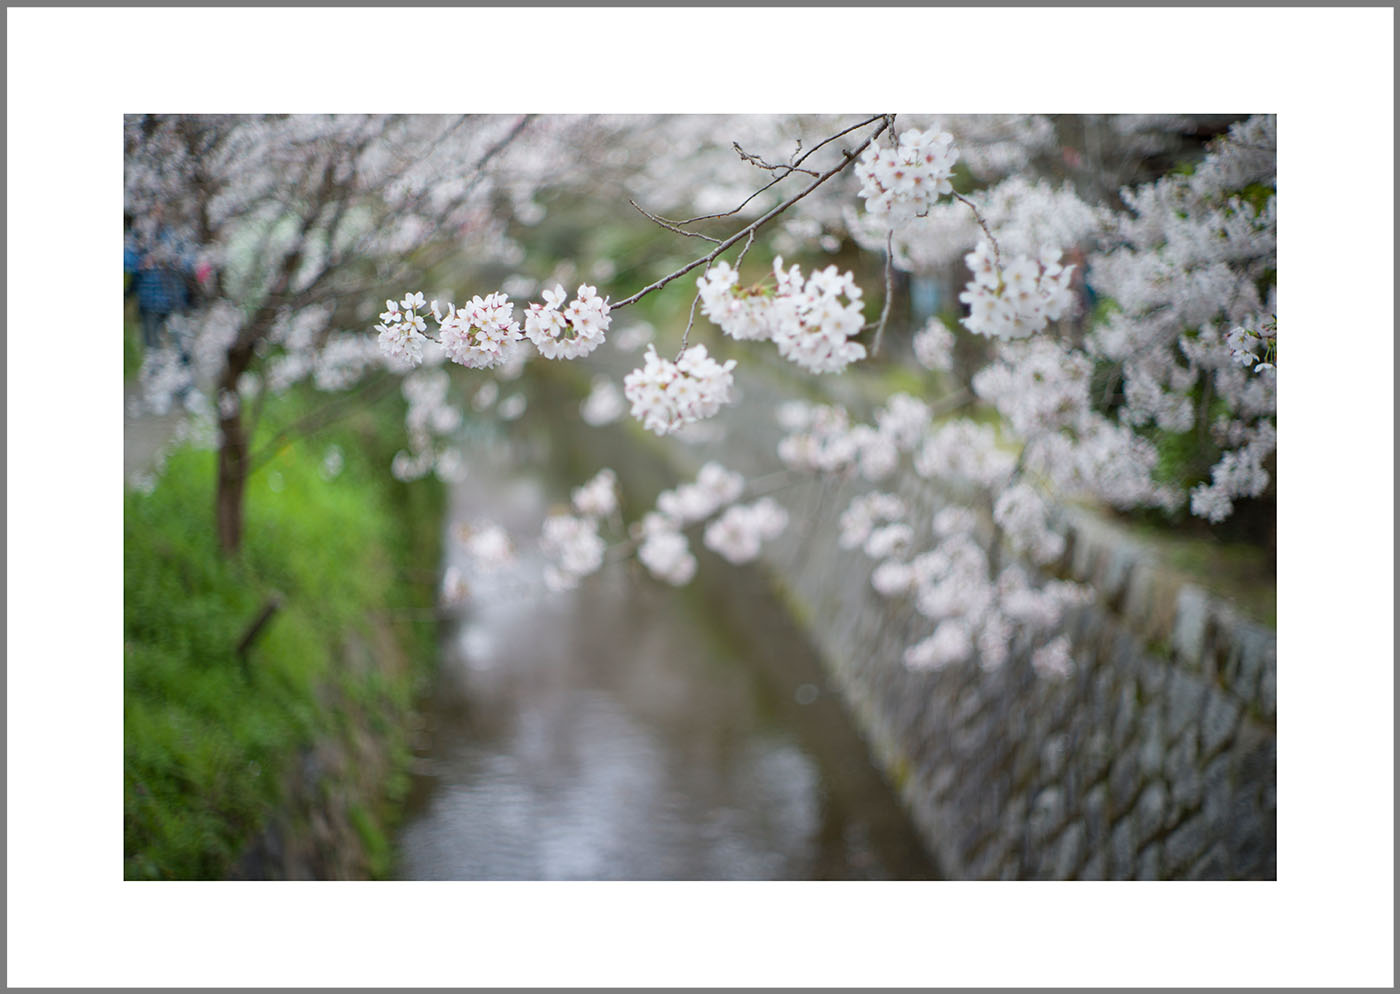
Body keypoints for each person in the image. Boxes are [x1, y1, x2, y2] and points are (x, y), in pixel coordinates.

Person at [125, 208, 194, 357]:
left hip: (174, 299)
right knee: (152, 351)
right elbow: (126, 260)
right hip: (148, 302)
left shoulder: (174, 235)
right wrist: (142, 262)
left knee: (182, 350)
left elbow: (190, 261)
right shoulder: (137, 236)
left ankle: (182, 377)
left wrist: (176, 261)